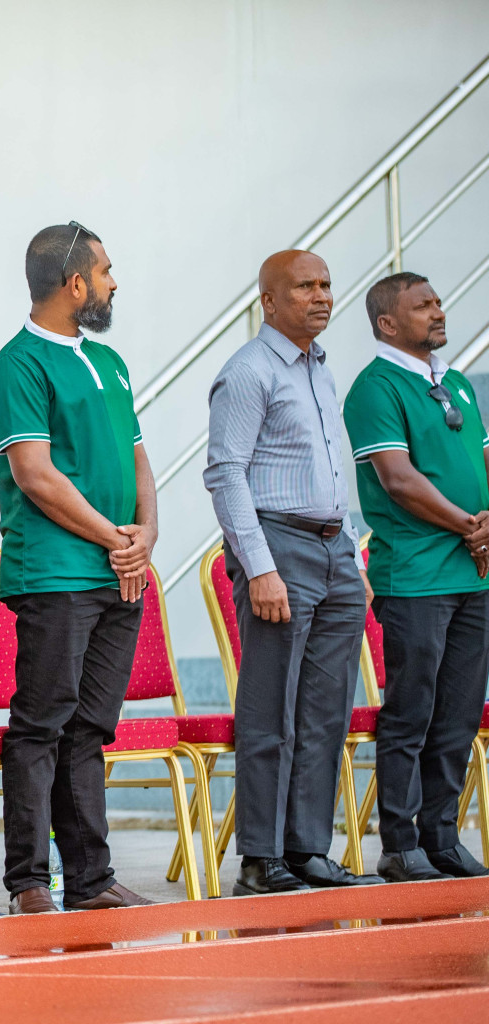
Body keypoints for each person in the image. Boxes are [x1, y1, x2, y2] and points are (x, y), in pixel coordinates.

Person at [0, 222, 158, 915]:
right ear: (74, 282)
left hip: (120, 571)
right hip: (57, 574)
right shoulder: (17, 365)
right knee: (42, 724)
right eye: (106, 270)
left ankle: (90, 879)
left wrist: (144, 532)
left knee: (89, 728)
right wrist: (115, 538)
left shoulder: (110, 362)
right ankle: (28, 882)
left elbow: (139, 457)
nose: (115, 282)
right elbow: (35, 474)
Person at [204, 249, 383, 895]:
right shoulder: (249, 372)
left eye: (327, 285)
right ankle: (261, 858)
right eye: (304, 286)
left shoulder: (321, 371)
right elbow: (225, 474)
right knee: (269, 711)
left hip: (335, 551)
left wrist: (351, 552)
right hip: (279, 547)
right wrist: (260, 567)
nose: (321, 296)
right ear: (270, 303)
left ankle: (308, 850)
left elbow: (332, 472)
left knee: (325, 712)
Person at [343, 272, 489, 882]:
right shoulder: (375, 387)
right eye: (422, 305)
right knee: (412, 712)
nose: (437, 310)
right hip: (416, 577)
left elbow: (480, 459)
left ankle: (442, 836)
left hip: (473, 575)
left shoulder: (453, 382)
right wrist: (468, 525)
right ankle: (400, 844)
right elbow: (397, 480)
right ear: (387, 323)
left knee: (458, 713)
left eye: (437, 301)